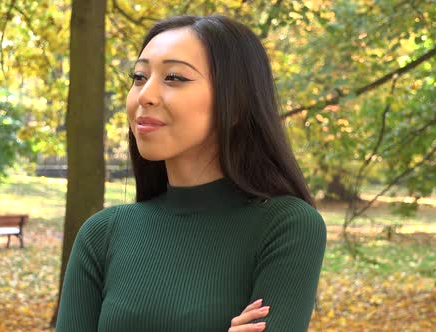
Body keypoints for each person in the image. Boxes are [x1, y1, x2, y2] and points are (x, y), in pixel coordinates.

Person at [56, 14, 326, 331]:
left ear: (236, 104)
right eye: (139, 77)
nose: (145, 95)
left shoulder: (286, 227)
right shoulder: (102, 235)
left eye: (174, 78)